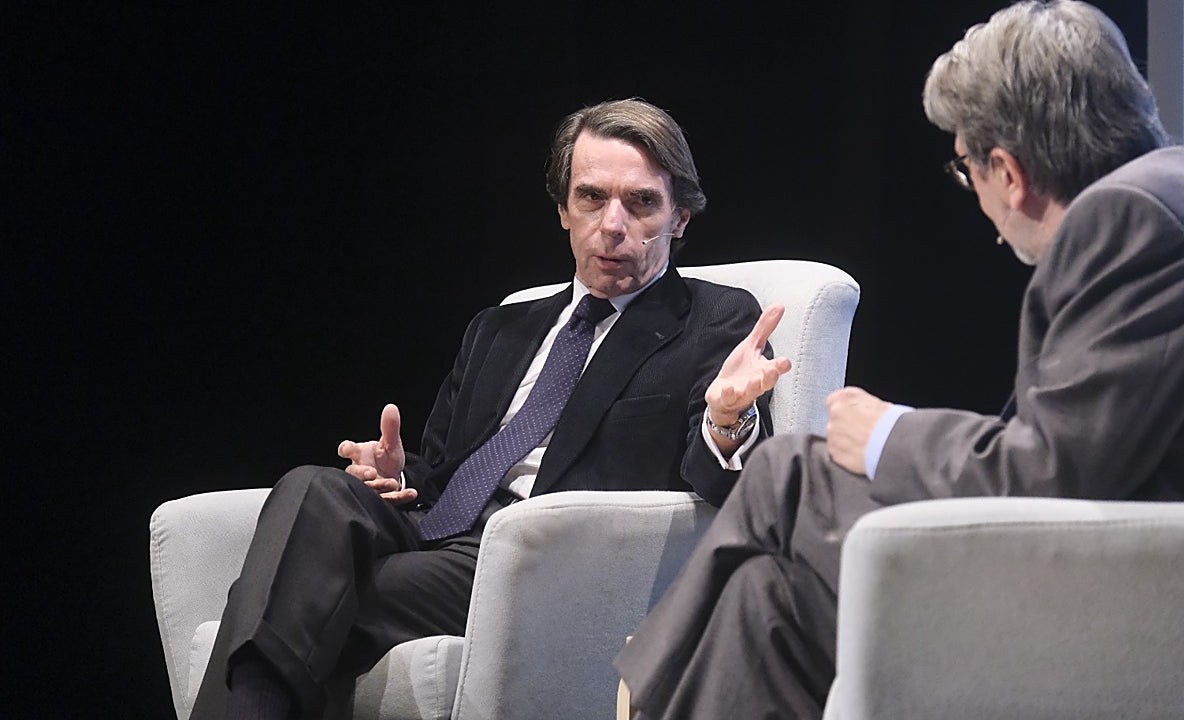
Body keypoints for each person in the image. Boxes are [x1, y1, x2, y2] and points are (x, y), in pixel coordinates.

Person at [615, 0, 1184, 720]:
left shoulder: (1132, 217)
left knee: (787, 469)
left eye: (966, 172)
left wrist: (889, 433)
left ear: (1009, 171)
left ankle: (640, 688)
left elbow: (1056, 468)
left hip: (1120, 597)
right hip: (1113, 554)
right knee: (764, 600)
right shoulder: (1171, 193)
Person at [189, 98, 791, 720]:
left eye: (641, 202)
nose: (613, 224)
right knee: (312, 487)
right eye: (590, 198)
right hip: (443, 532)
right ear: (562, 210)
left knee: (295, 592)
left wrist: (726, 417)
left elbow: (726, 482)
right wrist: (399, 477)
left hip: (543, 557)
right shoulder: (500, 329)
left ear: (679, 219)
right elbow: (447, 471)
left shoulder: (716, 320)